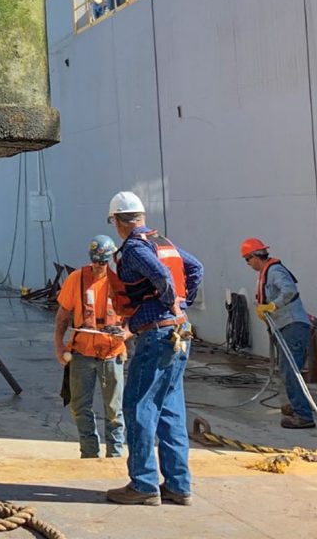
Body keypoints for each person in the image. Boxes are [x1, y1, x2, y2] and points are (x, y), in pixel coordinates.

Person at [104, 191, 203, 507]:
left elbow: (160, 277)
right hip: (180, 333)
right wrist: (181, 305)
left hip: (157, 335)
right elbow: (195, 267)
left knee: (138, 406)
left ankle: (144, 484)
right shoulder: (164, 244)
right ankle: (178, 485)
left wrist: (163, 303)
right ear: (141, 217)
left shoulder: (134, 248)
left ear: (119, 221)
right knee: (171, 409)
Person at [54, 235, 127, 459]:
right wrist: (59, 346)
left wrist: (125, 337)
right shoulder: (76, 279)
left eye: (103, 262)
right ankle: (89, 453)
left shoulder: (121, 281)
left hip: (111, 353)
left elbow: (132, 315)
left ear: (111, 259)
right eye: (95, 261)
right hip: (82, 354)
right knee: (80, 407)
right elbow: (63, 316)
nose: (98, 266)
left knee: (114, 411)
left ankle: (114, 454)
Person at [241, 238, 314, 429]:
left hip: (292, 326)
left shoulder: (274, 271)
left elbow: (289, 290)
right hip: (285, 327)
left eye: (247, 260)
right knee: (286, 370)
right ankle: (296, 406)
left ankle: (303, 416)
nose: (248, 264)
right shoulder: (267, 273)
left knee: (291, 372)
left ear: (254, 256)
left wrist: (273, 306)